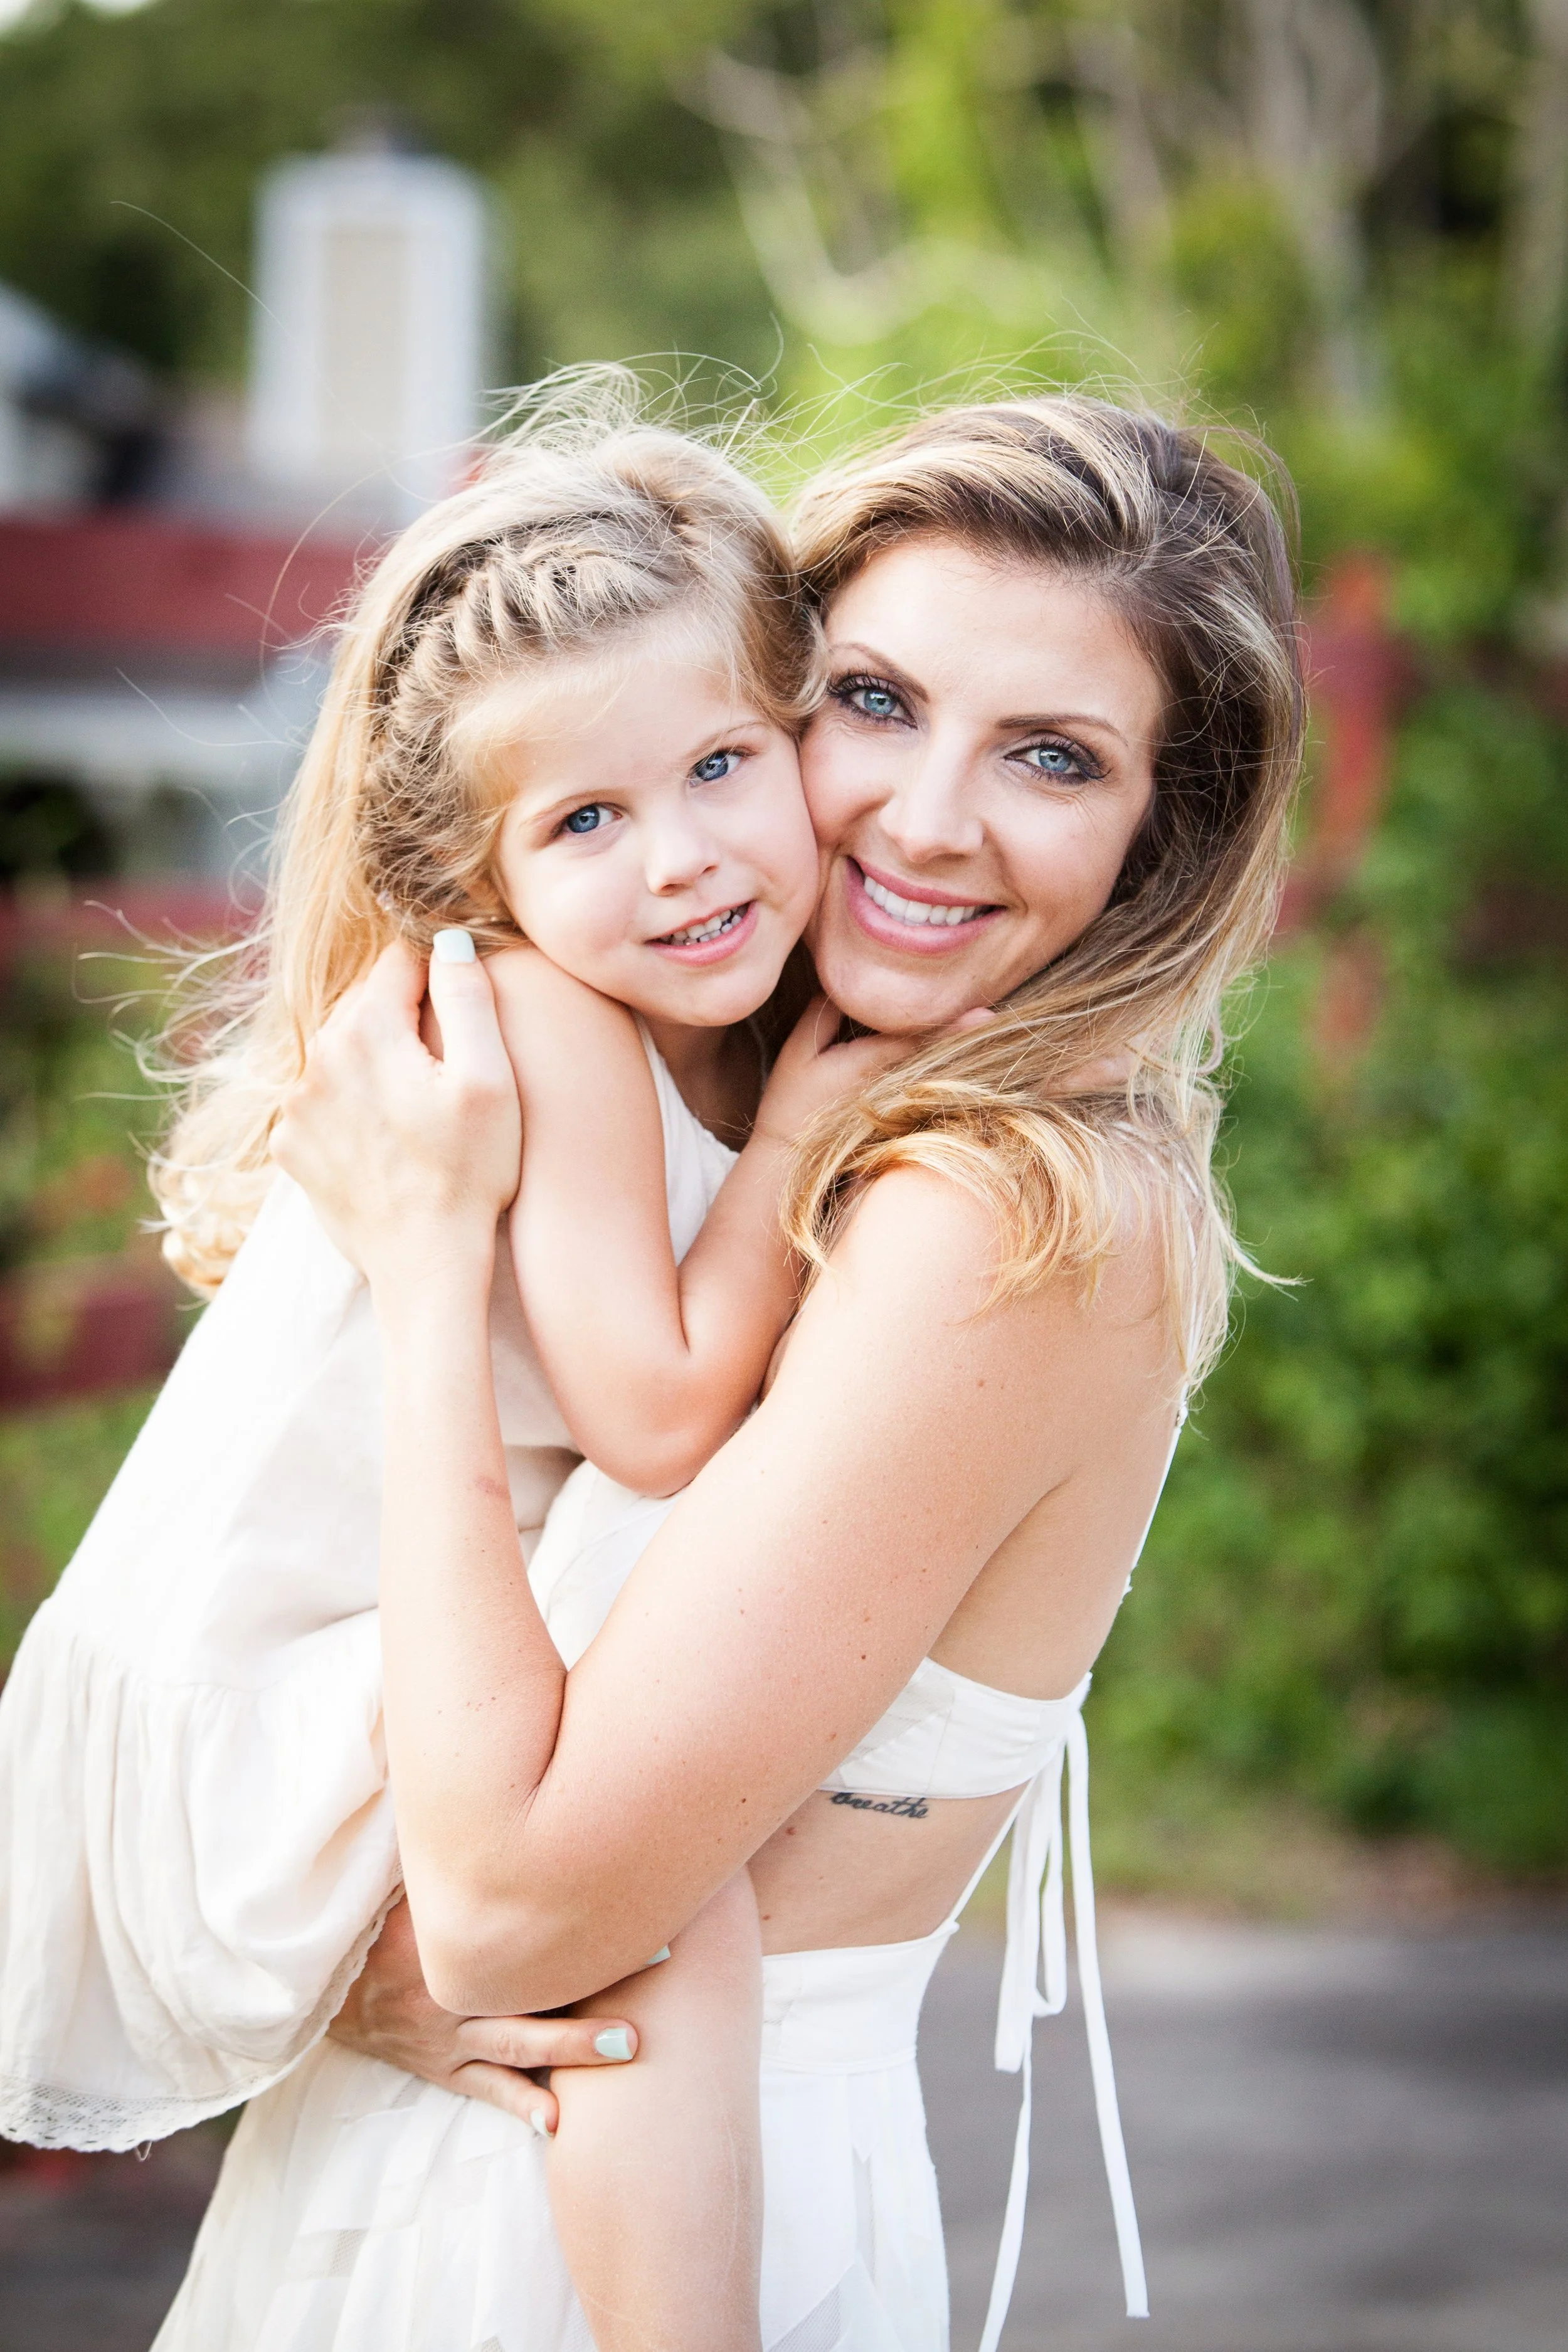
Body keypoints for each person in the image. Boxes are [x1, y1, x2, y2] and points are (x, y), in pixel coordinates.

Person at [252, 393, 1306, 2352]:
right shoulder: (677, 1094)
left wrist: (421, 1270)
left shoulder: (1008, 1216)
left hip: (607, 2234)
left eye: (1052, 759)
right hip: (469, 2157)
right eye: (874, 701)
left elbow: (510, 1922)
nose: (922, 819)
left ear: (1156, 837)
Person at [0, 386, 908, 2352]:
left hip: (346, 1653)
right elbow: (659, 1406)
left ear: (797, 730)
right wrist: (798, 1148)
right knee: (665, 1902)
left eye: (722, 765)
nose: (681, 858)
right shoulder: (548, 1019)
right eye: (586, 818)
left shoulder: (638, 1003)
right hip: (281, 1696)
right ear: (477, 876)